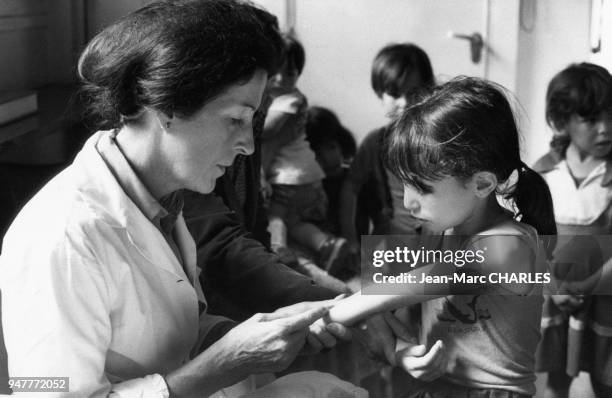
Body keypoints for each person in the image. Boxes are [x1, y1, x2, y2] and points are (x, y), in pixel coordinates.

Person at [0, 1, 356, 397]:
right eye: (236, 120)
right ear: (169, 107)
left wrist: (250, 333)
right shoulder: (62, 238)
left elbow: (166, 329)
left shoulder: (157, 201)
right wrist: (222, 365)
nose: (248, 145)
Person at [324, 77, 557, 397]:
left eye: (422, 187)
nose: (408, 202)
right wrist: (401, 351)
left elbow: (415, 285)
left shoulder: (509, 245)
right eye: (404, 184)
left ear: (482, 184)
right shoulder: (443, 230)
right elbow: (390, 303)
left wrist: (330, 313)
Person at [533, 62, 612, 398]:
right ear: (563, 121)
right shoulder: (544, 172)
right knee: (556, 380)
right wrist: (552, 285)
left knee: (606, 380)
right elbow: (529, 238)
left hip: (605, 295)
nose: (606, 129)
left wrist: (589, 284)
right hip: (557, 295)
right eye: (592, 120)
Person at [262, 34, 349, 276]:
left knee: (274, 215)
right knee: (294, 221)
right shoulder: (283, 98)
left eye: (289, 74)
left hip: (289, 177)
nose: (280, 79)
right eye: (276, 72)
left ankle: (278, 249)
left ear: (298, 75)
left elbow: (267, 130)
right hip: (302, 178)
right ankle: (326, 244)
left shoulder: (290, 100)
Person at [339, 43, 435, 246]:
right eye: (394, 94)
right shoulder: (376, 142)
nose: (405, 103)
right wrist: (350, 239)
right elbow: (350, 188)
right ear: (379, 93)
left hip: (436, 244)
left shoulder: (441, 139)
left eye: (414, 92)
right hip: (391, 244)